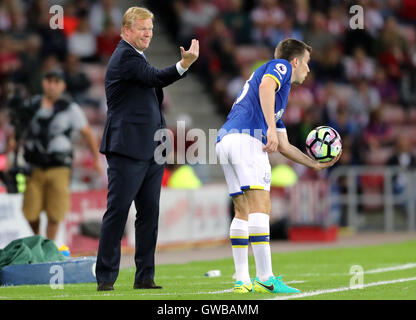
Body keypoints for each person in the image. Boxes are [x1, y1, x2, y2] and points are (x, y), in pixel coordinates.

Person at [216, 38, 341, 294]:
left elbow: (284, 146)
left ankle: (242, 280)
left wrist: (314, 164)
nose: (308, 69)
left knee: (242, 209)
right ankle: (266, 277)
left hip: (225, 140)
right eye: (306, 63)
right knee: (261, 206)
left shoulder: (276, 104)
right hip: (247, 140)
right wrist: (270, 130)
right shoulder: (280, 67)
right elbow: (265, 86)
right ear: (295, 61)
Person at [96, 7, 199, 291]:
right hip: (128, 148)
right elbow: (155, 77)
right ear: (126, 30)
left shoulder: (136, 56)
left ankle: (144, 277)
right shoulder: (125, 56)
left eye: (151, 30)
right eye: (143, 29)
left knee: (149, 214)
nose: (148, 34)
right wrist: (183, 65)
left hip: (152, 149)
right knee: (118, 211)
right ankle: (105, 278)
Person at [21, 68, 102, 241]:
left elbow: (86, 133)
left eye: (55, 82)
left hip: (59, 166)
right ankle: (37, 239)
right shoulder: (32, 105)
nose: (51, 85)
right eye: (48, 81)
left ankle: (48, 244)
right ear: (43, 83)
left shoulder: (70, 108)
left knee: (55, 211)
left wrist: (95, 158)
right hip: (35, 166)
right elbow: (20, 129)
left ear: (62, 85)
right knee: (30, 210)